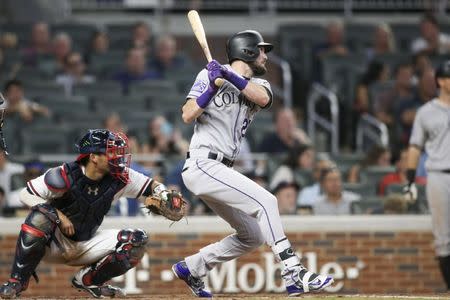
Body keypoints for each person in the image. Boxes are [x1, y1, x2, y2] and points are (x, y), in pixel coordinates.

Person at [173, 30, 333, 297]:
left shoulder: (261, 85)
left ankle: (193, 266)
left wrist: (228, 77)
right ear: (246, 51)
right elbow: (188, 115)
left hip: (222, 169)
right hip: (202, 163)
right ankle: (294, 272)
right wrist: (211, 87)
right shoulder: (209, 75)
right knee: (267, 202)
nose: (265, 57)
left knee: (253, 236)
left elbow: (262, 99)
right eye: (260, 50)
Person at [0, 129, 179, 298]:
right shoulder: (65, 174)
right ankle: (16, 282)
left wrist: (165, 195)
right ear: (93, 157)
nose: (117, 157)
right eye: (110, 152)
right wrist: (57, 215)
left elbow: (151, 186)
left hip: (87, 244)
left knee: (137, 241)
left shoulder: (120, 177)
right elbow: (26, 195)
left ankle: (87, 280)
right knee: (39, 217)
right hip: (53, 244)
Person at [405, 60, 450, 290]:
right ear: (441, 81)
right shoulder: (426, 112)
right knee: (443, 239)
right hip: (439, 175)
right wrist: (410, 180)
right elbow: (415, 147)